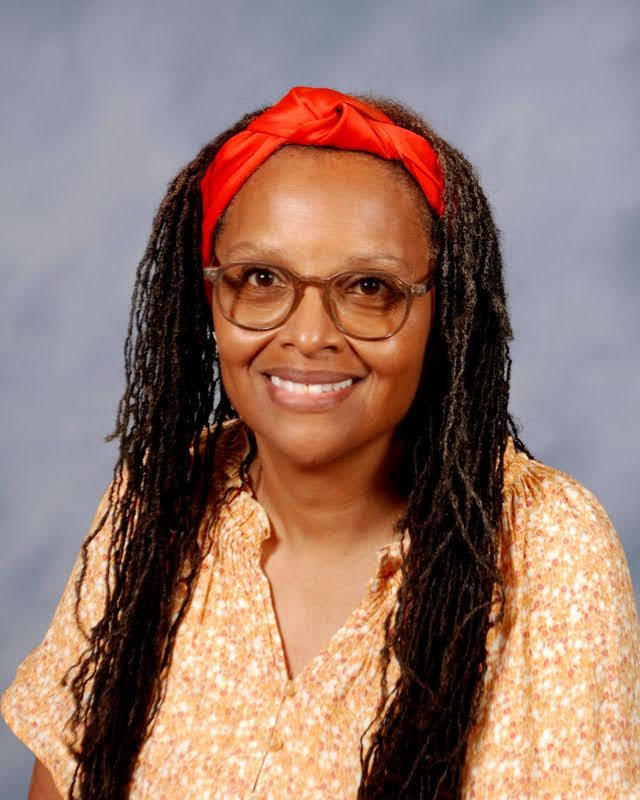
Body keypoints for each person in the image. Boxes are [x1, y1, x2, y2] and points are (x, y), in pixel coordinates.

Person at [2, 86, 639, 800]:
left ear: (445, 312)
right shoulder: (158, 500)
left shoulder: (548, 548)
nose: (309, 336)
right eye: (261, 279)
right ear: (212, 297)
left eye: (369, 287)